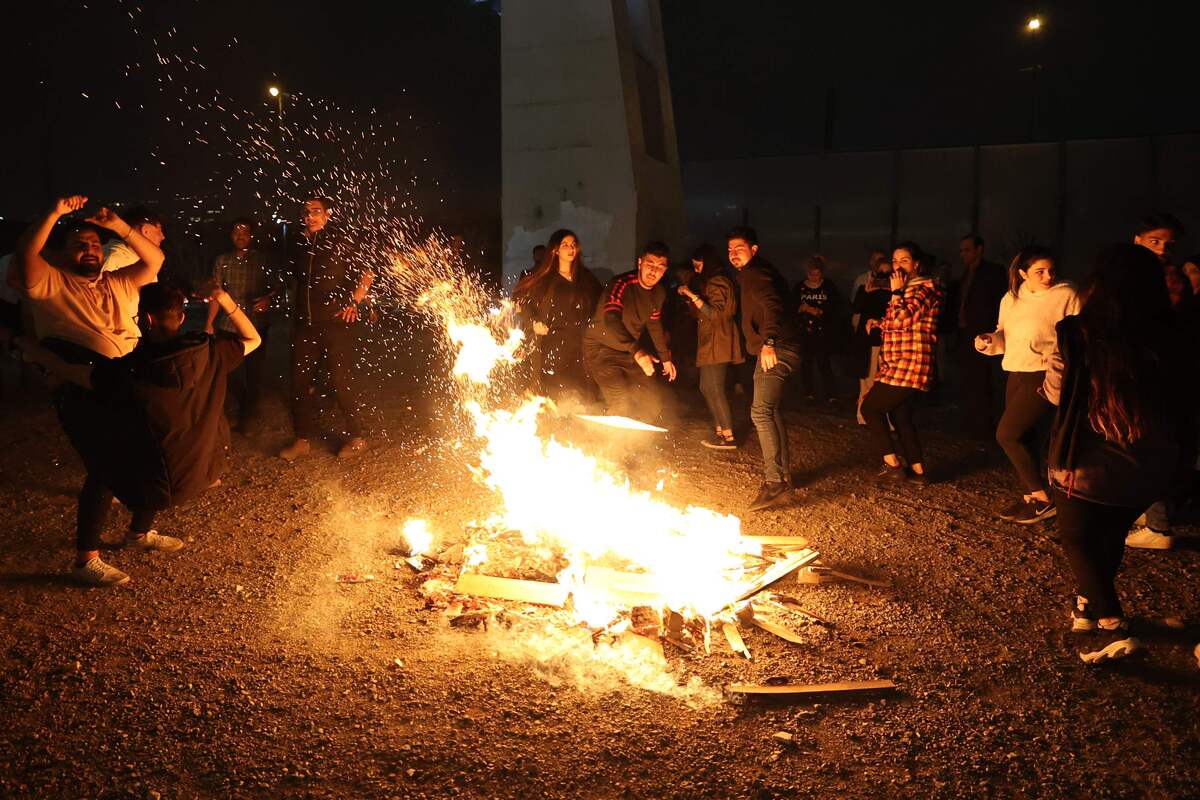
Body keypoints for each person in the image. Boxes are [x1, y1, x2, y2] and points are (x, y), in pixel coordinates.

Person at [19, 282, 260, 586]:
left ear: (145, 320)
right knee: (149, 445)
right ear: (182, 318)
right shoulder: (211, 353)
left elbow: (72, 373)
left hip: (155, 483)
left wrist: (35, 351)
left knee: (103, 464)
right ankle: (138, 534)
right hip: (199, 472)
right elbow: (253, 337)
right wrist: (224, 298)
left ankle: (85, 560)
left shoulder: (128, 371)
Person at [1042, 243, 1195, 663]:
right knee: (1108, 534)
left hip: (1089, 461)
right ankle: (1087, 606)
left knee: (1076, 537)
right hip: (1152, 464)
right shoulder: (1175, 333)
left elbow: (1057, 392)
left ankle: (1111, 620)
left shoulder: (1079, 332)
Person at [976, 247, 1080, 524]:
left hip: (1044, 373)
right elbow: (1004, 332)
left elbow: (1080, 335)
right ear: (1023, 273)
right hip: (1016, 370)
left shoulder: (1066, 294)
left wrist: (1062, 360)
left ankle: (1044, 500)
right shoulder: (1012, 298)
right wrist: (989, 339)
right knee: (1027, 437)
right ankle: (1034, 498)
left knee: (1007, 434)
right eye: (1040, 271)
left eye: (1051, 270)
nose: (1048, 276)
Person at [279, 196, 374, 461]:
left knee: (341, 381)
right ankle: (302, 439)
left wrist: (354, 301)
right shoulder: (298, 244)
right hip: (304, 325)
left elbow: (367, 272)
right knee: (298, 382)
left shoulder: (340, 239)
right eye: (306, 211)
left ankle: (357, 436)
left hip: (335, 323)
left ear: (327, 214)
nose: (310, 215)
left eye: (316, 211)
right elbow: (292, 280)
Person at [726, 226, 801, 511]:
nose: (733, 254)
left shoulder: (756, 273)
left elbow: (773, 306)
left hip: (776, 347)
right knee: (770, 410)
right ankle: (781, 477)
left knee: (760, 411)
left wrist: (768, 341)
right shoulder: (751, 273)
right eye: (730, 250)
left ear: (754, 250)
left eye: (739, 248)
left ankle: (775, 484)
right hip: (781, 345)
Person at [1126, 212, 1188, 548]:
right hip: (1141, 368)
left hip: (1154, 372)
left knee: (1148, 443)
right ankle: (1150, 512)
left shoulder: (1168, 279)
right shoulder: (1136, 274)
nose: (1163, 248)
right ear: (1137, 239)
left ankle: (1159, 526)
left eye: (1168, 243)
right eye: (1155, 241)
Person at [860, 242, 942, 483]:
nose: (897, 266)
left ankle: (892, 464)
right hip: (898, 364)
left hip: (911, 365)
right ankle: (918, 471)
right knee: (900, 416)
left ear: (916, 264)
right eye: (895, 261)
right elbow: (899, 322)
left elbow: (902, 319)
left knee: (870, 408)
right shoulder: (908, 290)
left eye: (904, 261)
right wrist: (879, 322)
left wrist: (895, 293)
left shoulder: (926, 289)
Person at [582, 241, 676, 422]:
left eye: (660, 268)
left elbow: (654, 324)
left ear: (665, 271)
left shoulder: (659, 293)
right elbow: (611, 318)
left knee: (652, 402)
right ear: (640, 263)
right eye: (650, 265)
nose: (653, 272)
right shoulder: (621, 283)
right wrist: (638, 352)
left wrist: (665, 358)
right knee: (620, 402)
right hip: (600, 347)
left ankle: (633, 442)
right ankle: (608, 445)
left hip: (628, 350)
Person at [205, 218, 280, 433]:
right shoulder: (222, 261)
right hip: (228, 327)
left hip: (256, 325)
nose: (241, 236)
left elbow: (277, 287)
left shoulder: (263, 261)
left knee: (254, 373)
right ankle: (238, 409)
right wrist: (209, 324)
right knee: (226, 372)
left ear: (251, 236)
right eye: (237, 232)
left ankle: (249, 418)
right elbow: (216, 295)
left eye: (245, 233)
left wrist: (268, 299)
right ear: (231, 236)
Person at [513, 229, 601, 401]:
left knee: (579, 394)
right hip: (552, 343)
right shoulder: (546, 279)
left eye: (573, 245)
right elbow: (523, 301)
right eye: (565, 245)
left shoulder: (585, 278)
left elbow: (601, 300)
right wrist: (533, 321)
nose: (571, 248)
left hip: (578, 345)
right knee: (552, 392)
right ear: (555, 250)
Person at [677, 243, 743, 450]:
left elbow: (716, 314)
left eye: (698, 265)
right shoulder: (712, 281)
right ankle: (720, 431)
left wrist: (693, 296)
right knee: (706, 387)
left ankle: (729, 437)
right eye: (694, 266)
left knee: (714, 388)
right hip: (711, 341)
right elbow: (704, 312)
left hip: (718, 341)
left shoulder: (719, 281)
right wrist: (691, 299)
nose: (696, 270)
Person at [954, 234, 1007, 441]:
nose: (963, 254)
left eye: (967, 249)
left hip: (984, 334)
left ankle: (985, 424)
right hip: (966, 332)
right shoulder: (965, 274)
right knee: (969, 378)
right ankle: (973, 421)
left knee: (983, 380)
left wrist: (992, 332)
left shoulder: (993, 272)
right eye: (961, 250)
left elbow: (997, 303)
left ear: (979, 249)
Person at [792, 254, 842, 403]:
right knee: (806, 362)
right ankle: (808, 392)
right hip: (805, 331)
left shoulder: (828, 287)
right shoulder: (799, 287)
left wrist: (818, 311)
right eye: (811, 274)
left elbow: (834, 306)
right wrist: (803, 309)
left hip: (823, 332)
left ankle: (831, 394)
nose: (814, 277)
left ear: (822, 273)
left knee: (824, 362)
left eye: (817, 274)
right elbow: (792, 305)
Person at [850, 256, 893, 425]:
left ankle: (885, 418)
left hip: (885, 341)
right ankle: (863, 416)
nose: (883, 277)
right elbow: (856, 308)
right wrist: (866, 292)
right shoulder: (865, 288)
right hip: (867, 341)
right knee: (866, 380)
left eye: (887, 273)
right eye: (881, 273)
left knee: (884, 382)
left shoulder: (895, 292)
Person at [102, 207, 165, 273]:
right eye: (159, 229)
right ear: (145, 230)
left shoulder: (138, 261)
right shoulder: (115, 261)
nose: (163, 237)